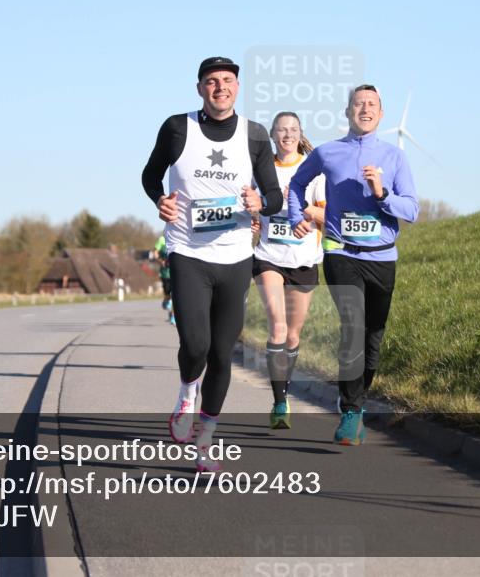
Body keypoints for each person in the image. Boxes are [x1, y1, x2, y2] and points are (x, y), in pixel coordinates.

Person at [141, 56, 282, 471]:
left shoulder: (254, 136)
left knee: (223, 352)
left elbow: (273, 195)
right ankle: (187, 392)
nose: (220, 87)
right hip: (188, 252)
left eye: (227, 80)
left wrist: (261, 201)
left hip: (236, 255)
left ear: (237, 87)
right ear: (200, 88)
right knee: (196, 345)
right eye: (211, 81)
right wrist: (159, 200)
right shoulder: (177, 127)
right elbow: (151, 175)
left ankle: (205, 441)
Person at [288, 84, 418, 446]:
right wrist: (298, 215)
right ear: (347, 112)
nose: (364, 109)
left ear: (381, 114)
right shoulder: (328, 153)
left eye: (372, 104)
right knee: (352, 324)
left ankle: (357, 401)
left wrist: (382, 194)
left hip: (382, 256)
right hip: (340, 253)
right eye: (358, 104)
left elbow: (412, 211)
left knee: (373, 337)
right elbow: (297, 183)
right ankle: (349, 410)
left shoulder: (394, 158)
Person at [251, 112, 326, 430]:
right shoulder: (261, 170)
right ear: (272, 135)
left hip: (305, 259)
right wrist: (254, 213)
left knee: (294, 336)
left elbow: (328, 216)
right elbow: (251, 206)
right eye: (282, 130)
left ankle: (285, 388)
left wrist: (305, 217)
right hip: (268, 256)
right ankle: (280, 401)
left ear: (300, 134)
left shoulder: (314, 170)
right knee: (278, 329)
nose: (287, 135)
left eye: (293, 130)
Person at [153, 234, 175, 324]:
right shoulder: (162, 239)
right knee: (168, 294)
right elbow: (155, 253)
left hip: (176, 272)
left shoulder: (178, 237)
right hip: (165, 273)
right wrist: (160, 261)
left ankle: (173, 316)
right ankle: (166, 300)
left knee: (175, 295)